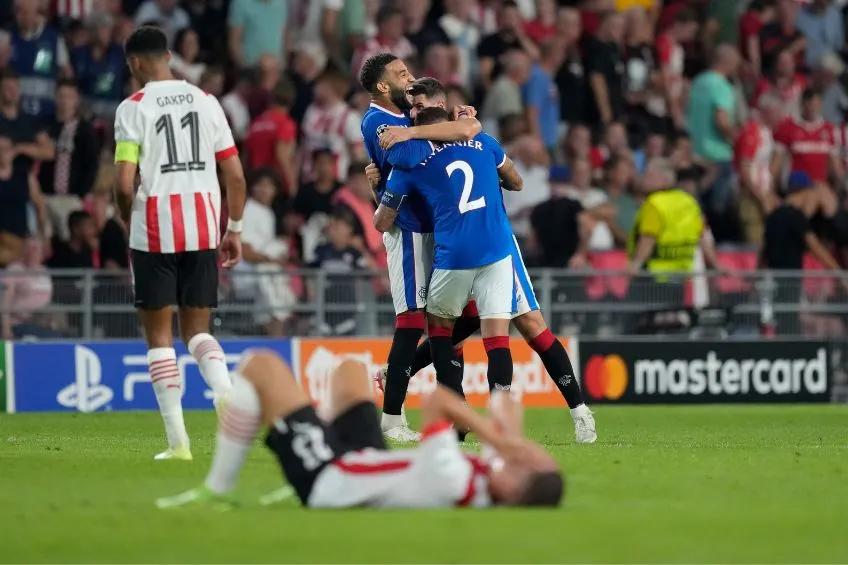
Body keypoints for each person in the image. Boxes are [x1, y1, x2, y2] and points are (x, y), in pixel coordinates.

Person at [371, 78, 596, 444]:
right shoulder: (481, 139)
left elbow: (382, 219)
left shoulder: (410, 154)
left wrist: (377, 184)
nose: (410, 113)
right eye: (407, 107)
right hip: (495, 248)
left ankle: (449, 409)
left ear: (437, 107)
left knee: (494, 326)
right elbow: (517, 181)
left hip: (462, 251)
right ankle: (513, 420)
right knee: (496, 333)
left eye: (416, 107)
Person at [156, 352, 564, 509]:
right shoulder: (490, 483)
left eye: (525, 463)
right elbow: (508, 404)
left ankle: (217, 491)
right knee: (351, 370)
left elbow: (435, 400)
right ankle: (318, 432)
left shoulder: (454, 481)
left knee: (258, 367)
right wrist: (510, 439)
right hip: (367, 458)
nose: (519, 456)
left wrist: (501, 440)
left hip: (331, 477)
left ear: (512, 488)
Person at [113, 26, 247, 461]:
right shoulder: (208, 103)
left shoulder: (132, 108)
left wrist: (124, 217)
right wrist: (235, 229)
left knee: (159, 338)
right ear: (169, 56)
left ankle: (179, 444)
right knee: (197, 331)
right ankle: (224, 390)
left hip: (153, 230)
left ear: (135, 62)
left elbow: (121, 181)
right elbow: (236, 176)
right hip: (204, 227)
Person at [357, 53, 481, 442]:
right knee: (412, 319)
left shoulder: (408, 118)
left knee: (465, 317)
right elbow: (408, 156)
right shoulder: (377, 120)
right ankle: (392, 419)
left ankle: (399, 372)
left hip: (440, 227)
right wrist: (440, 130)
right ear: (382, 86)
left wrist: (432, 126)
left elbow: (437, 145)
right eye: (401, 74)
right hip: (408, 229)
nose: (410, 79)